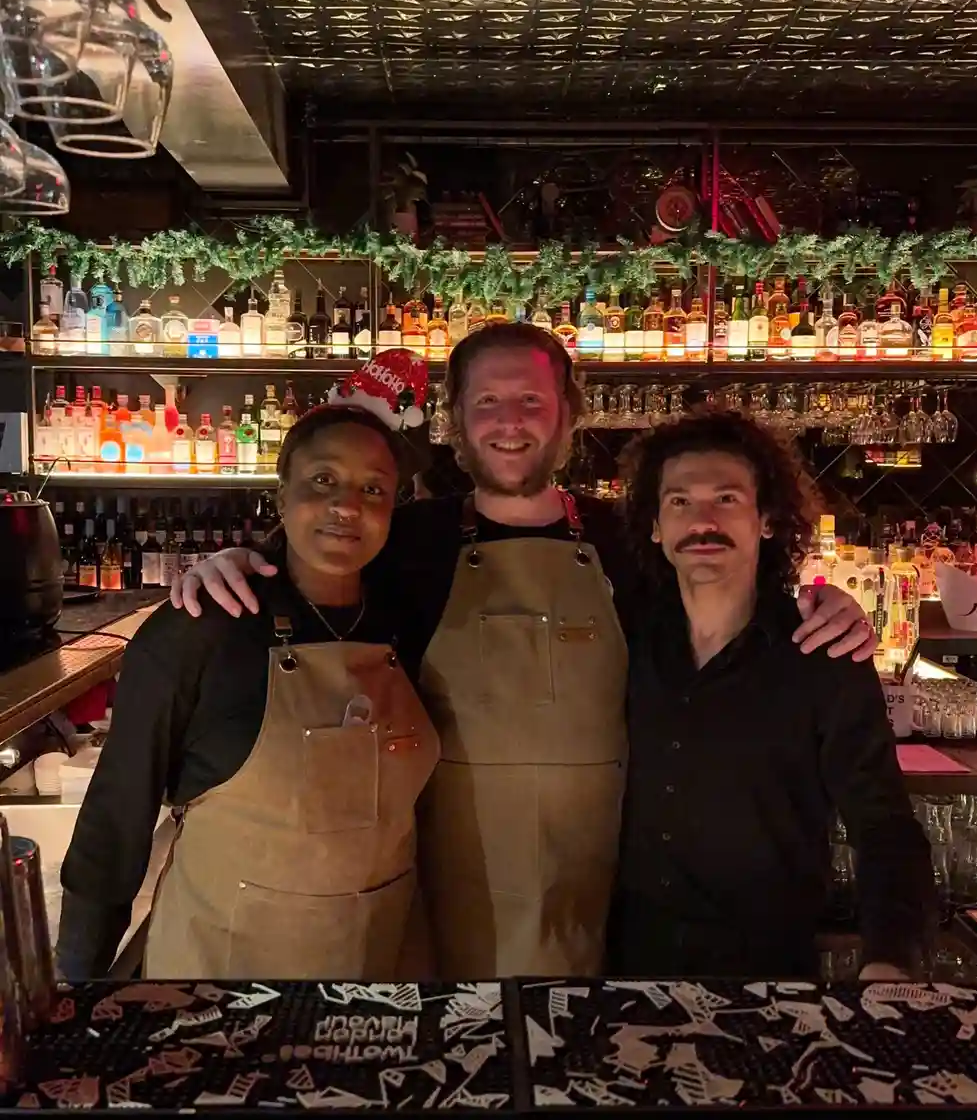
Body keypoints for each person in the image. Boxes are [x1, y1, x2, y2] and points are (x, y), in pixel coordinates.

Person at [171, 324, 876, 977]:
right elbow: (310, 577)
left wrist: (818, 606)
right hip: (444, 898)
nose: (510, 421)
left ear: (569, 414)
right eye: (487, 402)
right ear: (456, 419)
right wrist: (237, 562)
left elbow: (726, 599)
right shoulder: (405, 543)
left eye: (532, 400)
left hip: (601, 906)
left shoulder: (629, 542)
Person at [56, 393, 440, 980]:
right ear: (281, 497)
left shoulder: (411, 623)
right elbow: (116, 819)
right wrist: (75, 985)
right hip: (223, 978)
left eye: (373, 489)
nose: (346, 505)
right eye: (323, 479)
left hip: (381, 970)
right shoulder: (202, 626)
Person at [609, 409, 935, 980]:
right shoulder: (620, 640)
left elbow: (884, 825)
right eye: (680, 501)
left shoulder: (823, 654)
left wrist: (890, 961)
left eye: (727, 499)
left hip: (768, 974)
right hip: (625, 967)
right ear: (655, 526)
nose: (702, 521)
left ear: (766, 519)